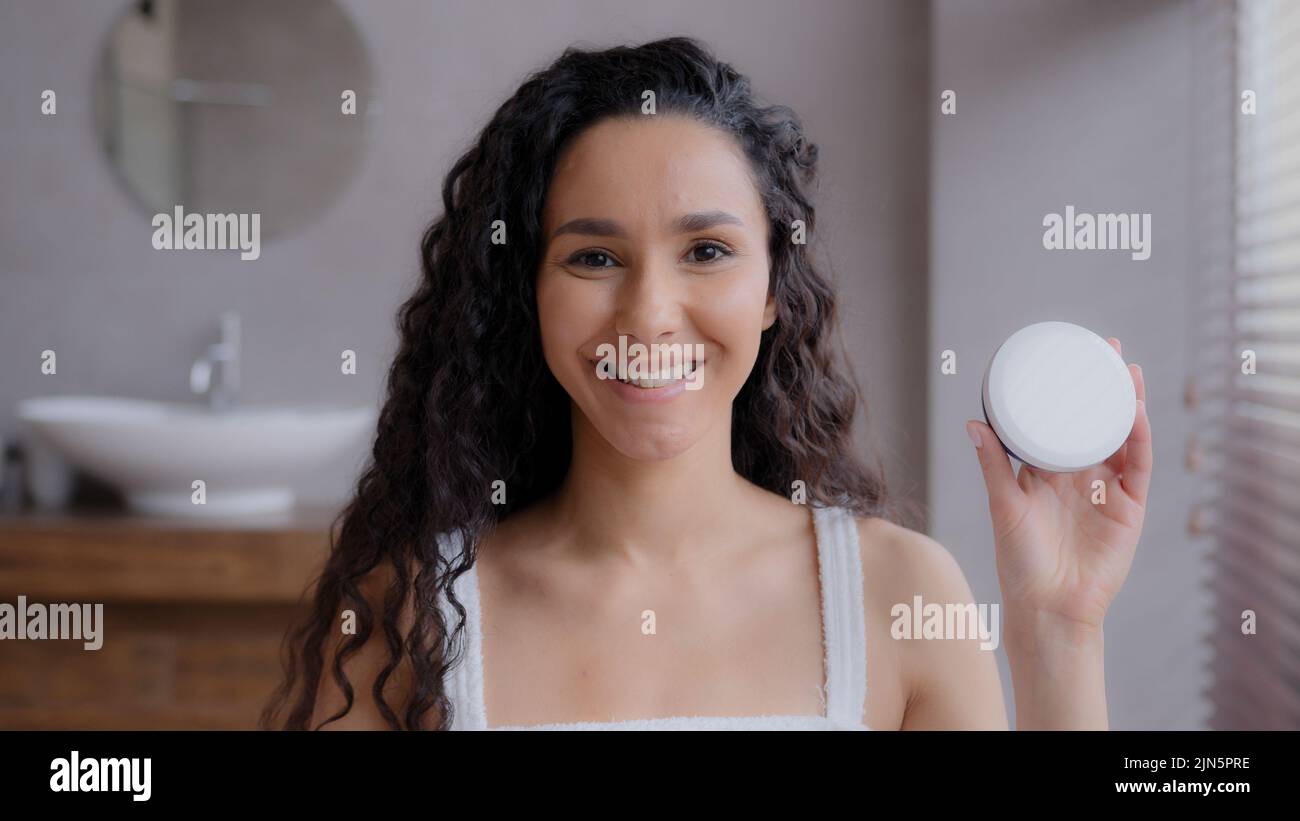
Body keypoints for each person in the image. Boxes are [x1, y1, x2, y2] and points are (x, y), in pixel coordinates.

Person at [262, 36, 1151, 731]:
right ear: (524, 293)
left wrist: (1057, 632)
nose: (649, 313)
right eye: (594, 256)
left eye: (707, 251)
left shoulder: (903, 592)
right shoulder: (410, 613)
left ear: (772, 289)